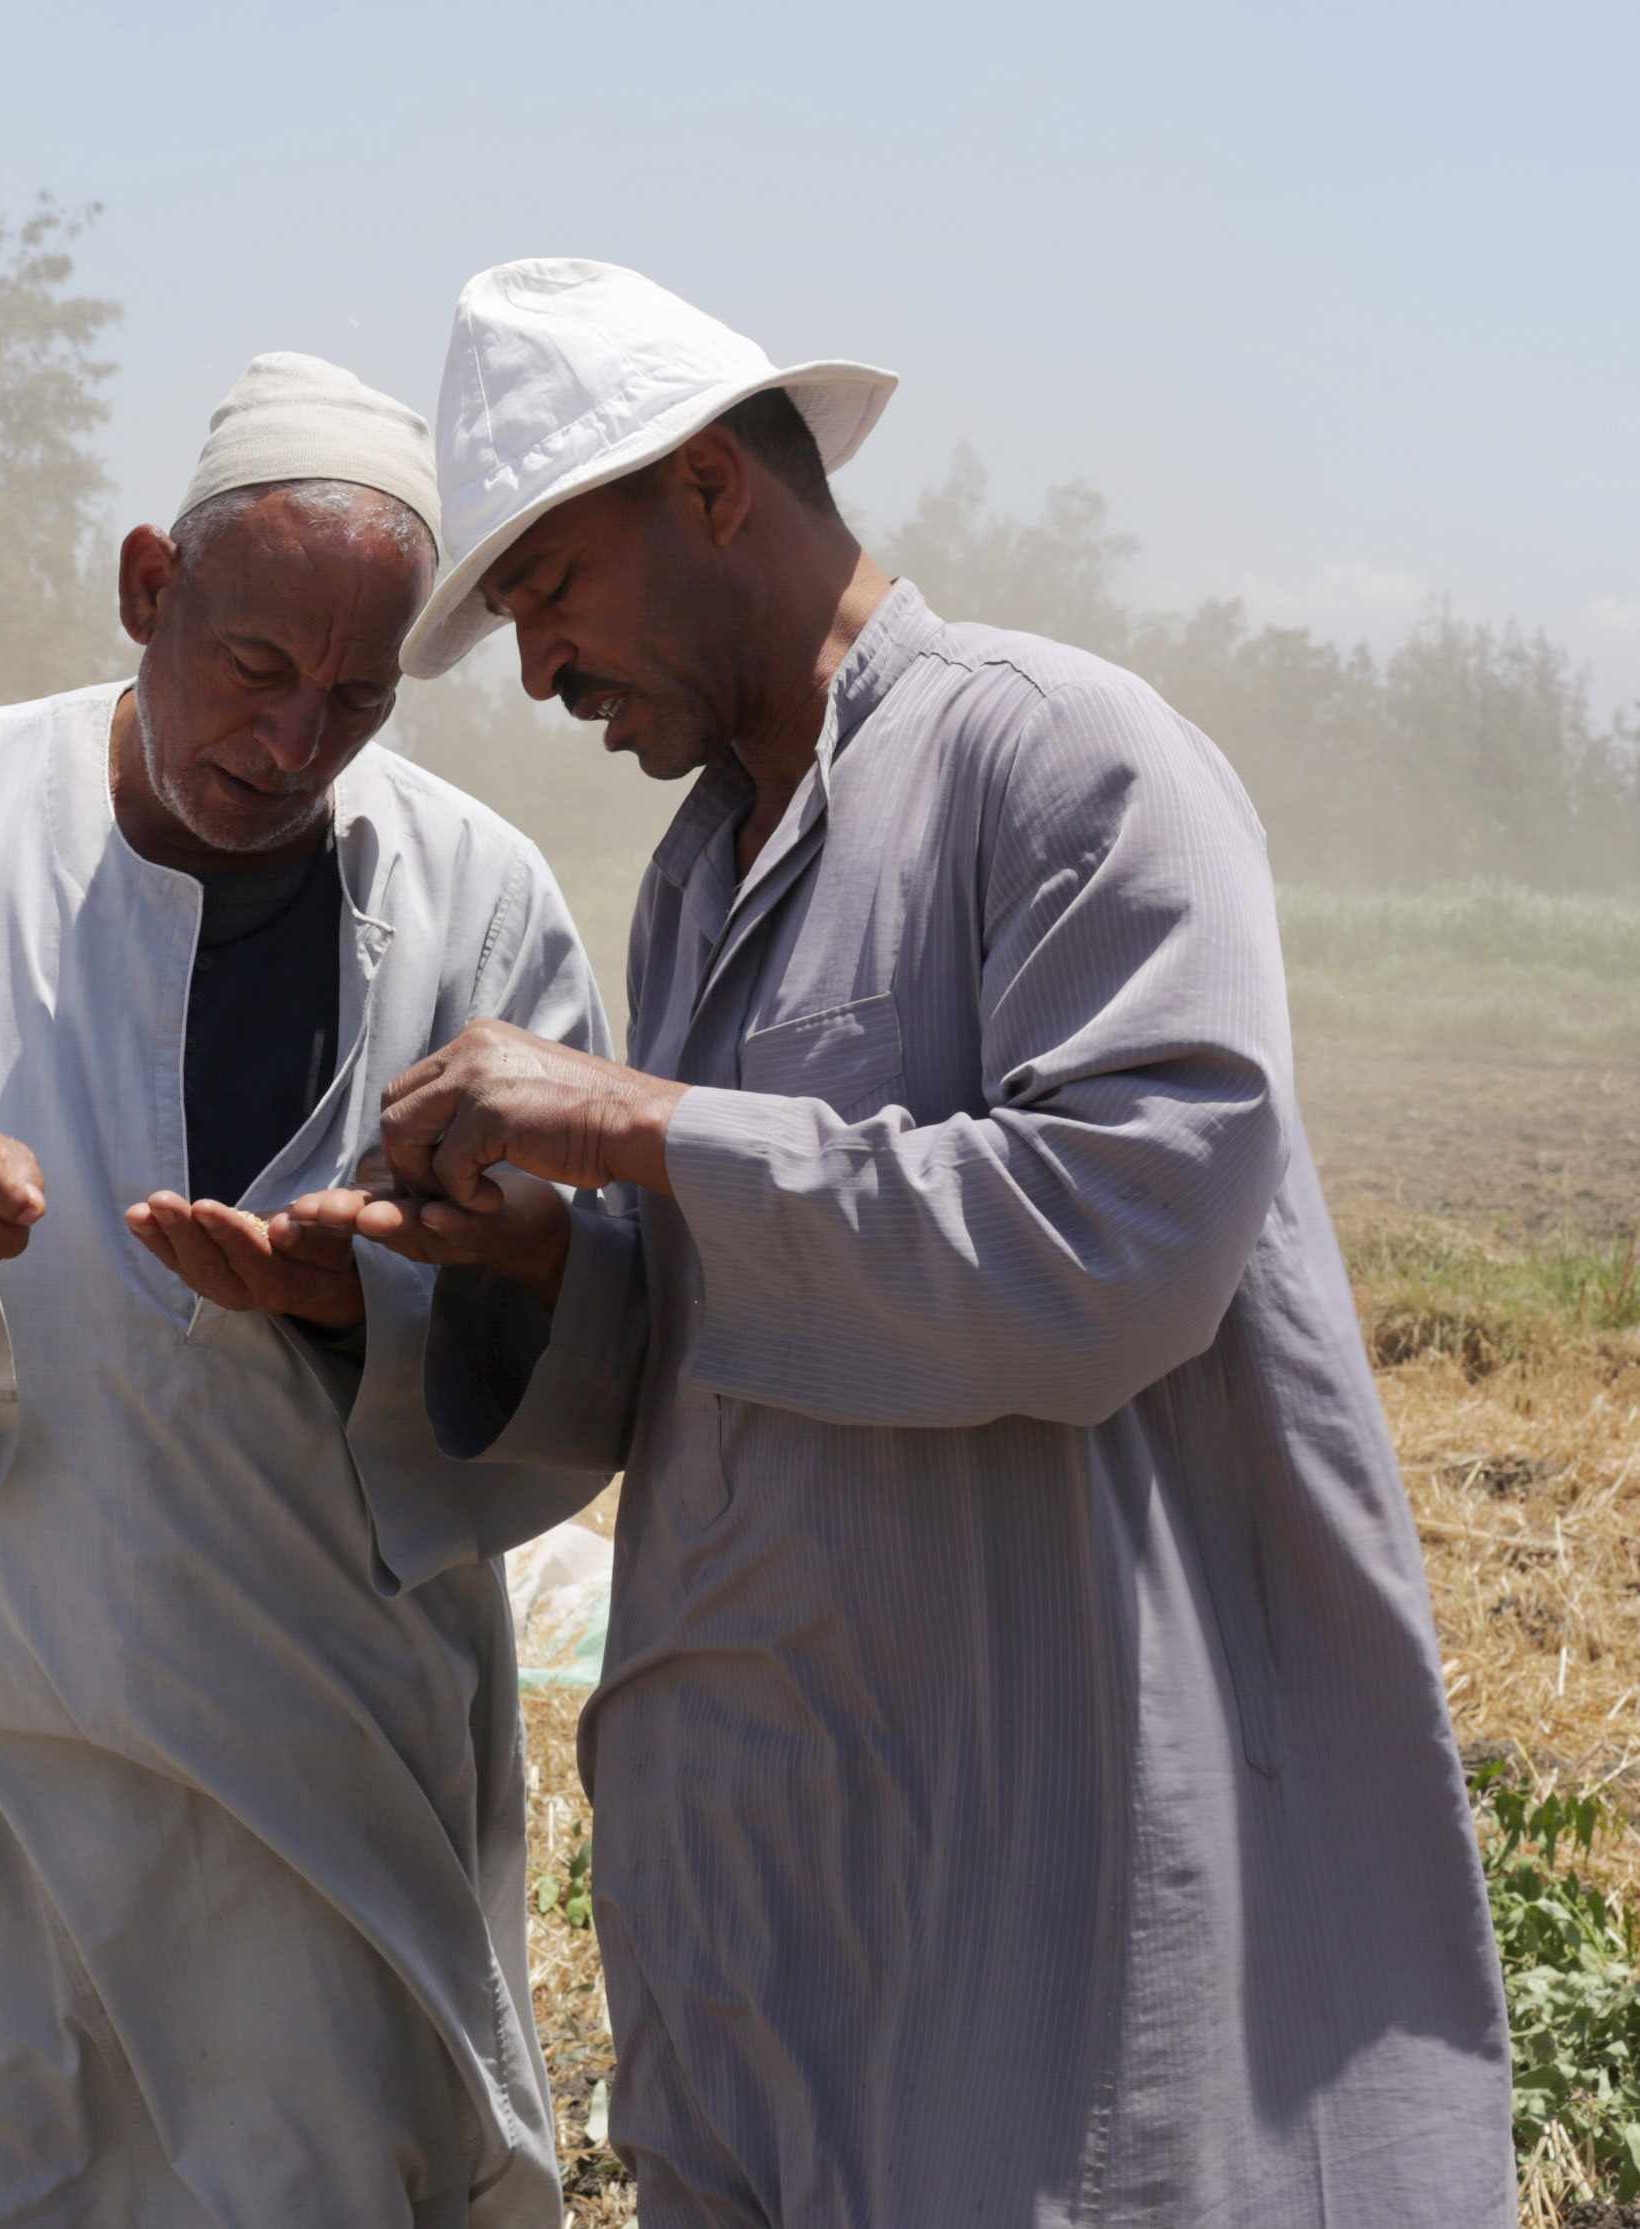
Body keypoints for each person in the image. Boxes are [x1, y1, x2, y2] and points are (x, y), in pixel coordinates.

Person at [285, 260, 1511, 2226]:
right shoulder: (702, 872)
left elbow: (1114, 1245)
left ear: (707, 492)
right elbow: (752, 1308)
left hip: (1032, 1884)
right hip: (779, 1908)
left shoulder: (1061, 764)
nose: (536, 674)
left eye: (548, 594)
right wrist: (536, 1262)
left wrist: (638, 1123)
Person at [0, 352, 608, 2227]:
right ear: (145, 591)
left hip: (317, 1748)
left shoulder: (480, 897)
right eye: (256, 671)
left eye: (355, 698)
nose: (291, 744)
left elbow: (575, 1316)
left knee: (327, 2167)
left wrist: (356, 1306)